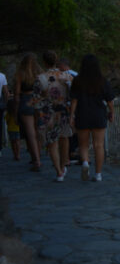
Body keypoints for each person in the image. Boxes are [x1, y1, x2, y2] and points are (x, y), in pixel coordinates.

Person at [70, 55, 114, 182]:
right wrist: (112, 112)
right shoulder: (102, 81)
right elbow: (110, 100)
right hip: (98, 114)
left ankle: (85, 163)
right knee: (98, 145)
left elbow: (74, 100)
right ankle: (98, 174)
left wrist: (71, 115)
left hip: (82, 114)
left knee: (83, 144)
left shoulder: (77, 80)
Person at [33, 51, 73, 182]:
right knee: (64, 138)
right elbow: (72, 94)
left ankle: (58, 171)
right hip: (63, 110)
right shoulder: (66, 76)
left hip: (48, 112)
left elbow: (36, 99)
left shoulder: (40, 78)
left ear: (44, 62)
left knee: (52, 142)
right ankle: (63, 164)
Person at [14, 54, 42, 170]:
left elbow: (16, 95)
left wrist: (15, 111)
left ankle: (36, 160)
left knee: (30, 134)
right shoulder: (40, 74)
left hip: (26, 101)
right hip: (38, 101)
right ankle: (38, 155)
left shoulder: (20, 74)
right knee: (37, 131)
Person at [58, 58, 78, 166]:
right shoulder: (76, 74)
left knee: (69, 130)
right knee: (74, 129)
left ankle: (69, 153)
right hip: (75, 105)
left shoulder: (65, 75)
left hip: (68, 105)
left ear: (63, 65)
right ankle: (73, 151)